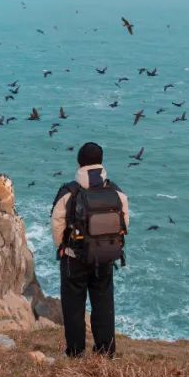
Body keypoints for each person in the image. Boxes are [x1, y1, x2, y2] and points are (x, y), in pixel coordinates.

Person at [50, 142, 130, 357]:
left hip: (74, 258)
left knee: (74, 307)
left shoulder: (69, 193)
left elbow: (57, 224)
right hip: (104, 257)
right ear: (101, 162)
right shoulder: (117, 193)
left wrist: (61, 248)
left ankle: (76, 353)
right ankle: (105, 352)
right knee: (103, 304)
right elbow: (124, 225)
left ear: (79, 162)